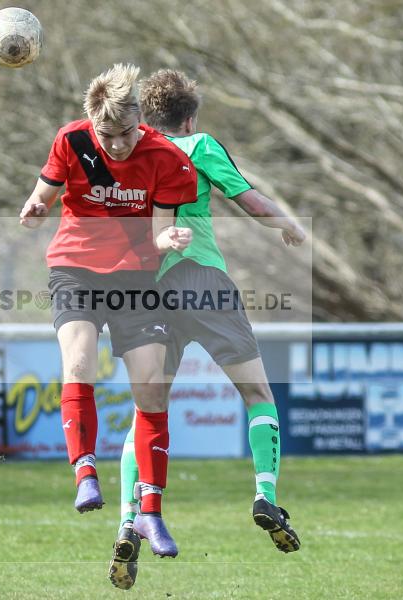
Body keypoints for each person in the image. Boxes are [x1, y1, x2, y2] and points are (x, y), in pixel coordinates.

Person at [108, 69, 306, 590]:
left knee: (147, 412)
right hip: (201, 276)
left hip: (146, 288)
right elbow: (252, 203)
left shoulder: (129, 152)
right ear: (190, 116)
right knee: (258, 394)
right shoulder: (197, 144)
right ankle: (265, 493)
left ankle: (128, 520)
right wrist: (288, 222)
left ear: (148, 119)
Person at [18, 64, 197, 536]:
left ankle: (151, 514)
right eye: (106, 135)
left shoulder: (167, 159)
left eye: (125, 133)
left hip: (136, 279)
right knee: (79, 363)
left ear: (140, 119)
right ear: (91, 123)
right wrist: (35, 209)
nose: (116, 144)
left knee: (151, 386)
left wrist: (170, 238)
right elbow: (41, 199)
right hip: (75, 270)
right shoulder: (70, 141)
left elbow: (159, 234)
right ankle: (84, 473)